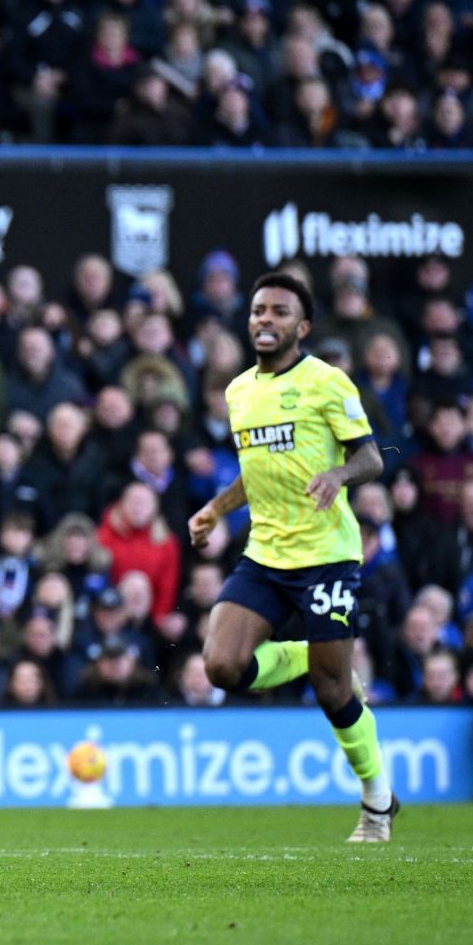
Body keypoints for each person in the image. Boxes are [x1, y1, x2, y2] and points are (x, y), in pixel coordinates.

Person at [189, 272, 396, 841]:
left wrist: (339, 472)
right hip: (266, 553)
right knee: (221, 667)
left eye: (279, 312)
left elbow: (372, 458)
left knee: (335, 694)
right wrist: (215, 508)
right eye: (258, 310)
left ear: (301, 327)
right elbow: (257, 472)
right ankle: (308, 655)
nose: (264, 320)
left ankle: (377, 800)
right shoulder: (238, 392)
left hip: (327, 555)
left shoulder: (328, 383)